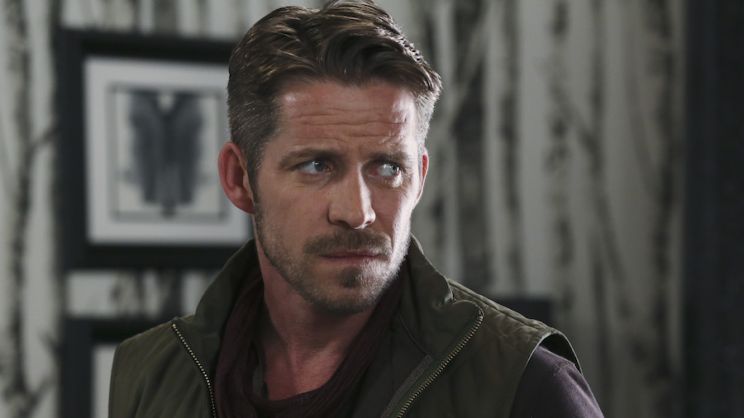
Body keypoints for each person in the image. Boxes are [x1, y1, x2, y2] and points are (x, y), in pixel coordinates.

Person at [108, 1, 603, 417]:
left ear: (419, 178)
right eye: (317, 166)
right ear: (240, 179)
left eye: (387, 168)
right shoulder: (151, 372)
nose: (357, 212)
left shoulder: (524, 383)